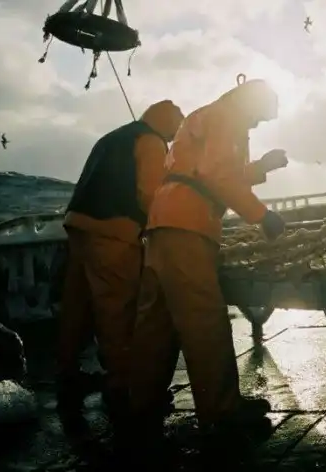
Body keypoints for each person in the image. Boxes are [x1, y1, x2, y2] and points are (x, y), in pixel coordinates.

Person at [126, 79, 287, 450]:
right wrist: (261, 215)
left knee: (156, 324)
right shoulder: (228, 118)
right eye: (260, 117)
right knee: (204, 319)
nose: (257, 125)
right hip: (188, 224)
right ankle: (222, 412)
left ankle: (142, 405)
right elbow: (218, 177)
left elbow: (213, 171)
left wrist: (262, 167)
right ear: (250, 103)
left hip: (162, 223)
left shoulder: (209, 116)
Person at [56, 100, 185, 439]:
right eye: (176, 126)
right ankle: (122, 389)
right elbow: (149, 195)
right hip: (112, 232)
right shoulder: (151, 141)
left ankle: (67, 375)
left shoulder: (112, 137)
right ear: (165, 122)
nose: (176, 135)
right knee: (118, 308)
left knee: (78, 306)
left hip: (78, 226)